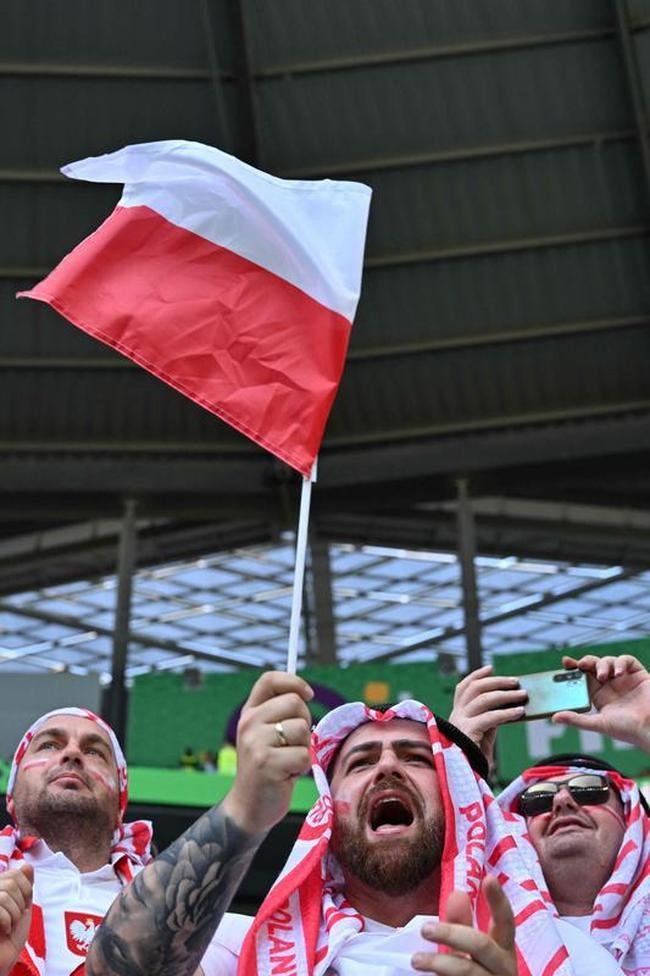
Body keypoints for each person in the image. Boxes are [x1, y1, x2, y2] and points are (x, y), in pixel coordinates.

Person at [87, 695, 582, 976]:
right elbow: (119, 969)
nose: (387, 767)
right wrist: (245, 805)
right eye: (360, 762)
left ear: (455, 796)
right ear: (328, 810)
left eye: (414, 757)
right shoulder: (247, 948)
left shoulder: (564, 955)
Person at [0, 671, 314, 976]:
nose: (72, 754)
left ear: (120, 805)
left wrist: (250, 802)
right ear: (10, 795)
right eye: (49, 745)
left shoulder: (210, 927)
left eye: (94, 751)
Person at [449, 652, 650, 974]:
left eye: (587, 790)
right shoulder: (478, 931)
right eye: (539, 800)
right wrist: (457, 759)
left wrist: (647, 726)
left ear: (633, 821)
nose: (562, 802)